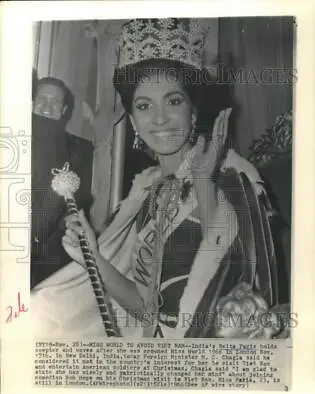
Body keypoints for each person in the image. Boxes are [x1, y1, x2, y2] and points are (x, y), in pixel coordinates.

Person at [31, 19, 289, 338]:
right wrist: (93, 256)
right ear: (134, 122)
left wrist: (204, 182)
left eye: (174, 101)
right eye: (144, 106)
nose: (160, 118)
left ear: (193, 113)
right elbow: (145, 310)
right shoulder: (148, 195)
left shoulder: (228, 176)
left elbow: (228, 259)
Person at [31, 76, 94, 288]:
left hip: (55, 257)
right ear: (31, 102)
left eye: (55, 102)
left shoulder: (80, 149)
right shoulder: (12, 139)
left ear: (64, 109)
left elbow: (84, 201)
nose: (47, 107)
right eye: (41, 99)